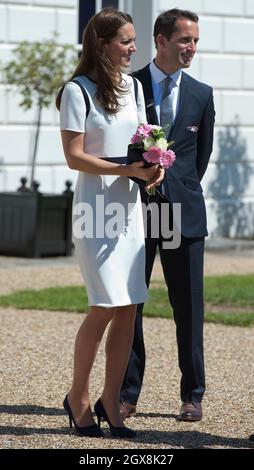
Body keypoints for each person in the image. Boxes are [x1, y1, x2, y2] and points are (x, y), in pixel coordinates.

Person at [56, 8, 162, 438]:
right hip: (96, 208)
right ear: (101, 44)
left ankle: (110, 403)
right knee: (103, 305)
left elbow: (147, 138)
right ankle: (77, 398)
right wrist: (126, 172)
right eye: (125, 41)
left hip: (130, 207)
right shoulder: (76, 91)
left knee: (129, 307)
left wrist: (157, 165)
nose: (134, 48)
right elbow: (74, 156)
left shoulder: (135, 86)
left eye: (135, 40)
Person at [120, 8, 215, 422]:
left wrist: (180, 191)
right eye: (184, 40)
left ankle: (192, 393)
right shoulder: (127, 87)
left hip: (185, 215)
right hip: (134, 213)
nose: (191, 48)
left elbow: (201, 156)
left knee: (189, 308)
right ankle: (126, 393)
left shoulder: (202, 92)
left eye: (195, 40)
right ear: (161, 40)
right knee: (130, 306)